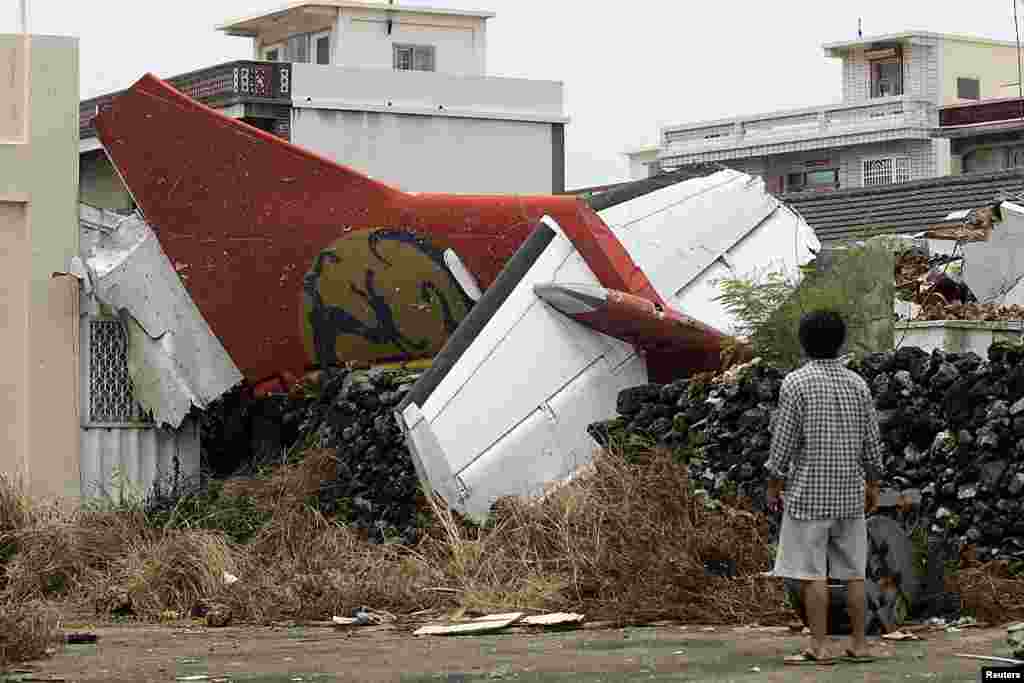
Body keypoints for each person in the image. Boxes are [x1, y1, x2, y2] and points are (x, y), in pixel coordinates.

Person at [764, 309, 884, 666]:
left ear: (803, 342)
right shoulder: (858, 384)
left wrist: (774, 482)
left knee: (811, 573)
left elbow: (783, 442)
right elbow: (872, 442)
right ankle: (859, 645)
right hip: (849, 494)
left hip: (808, 496)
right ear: (840, 342)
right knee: (854, 573)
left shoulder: (796, 383)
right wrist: (873, 482)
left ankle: (819, 647)